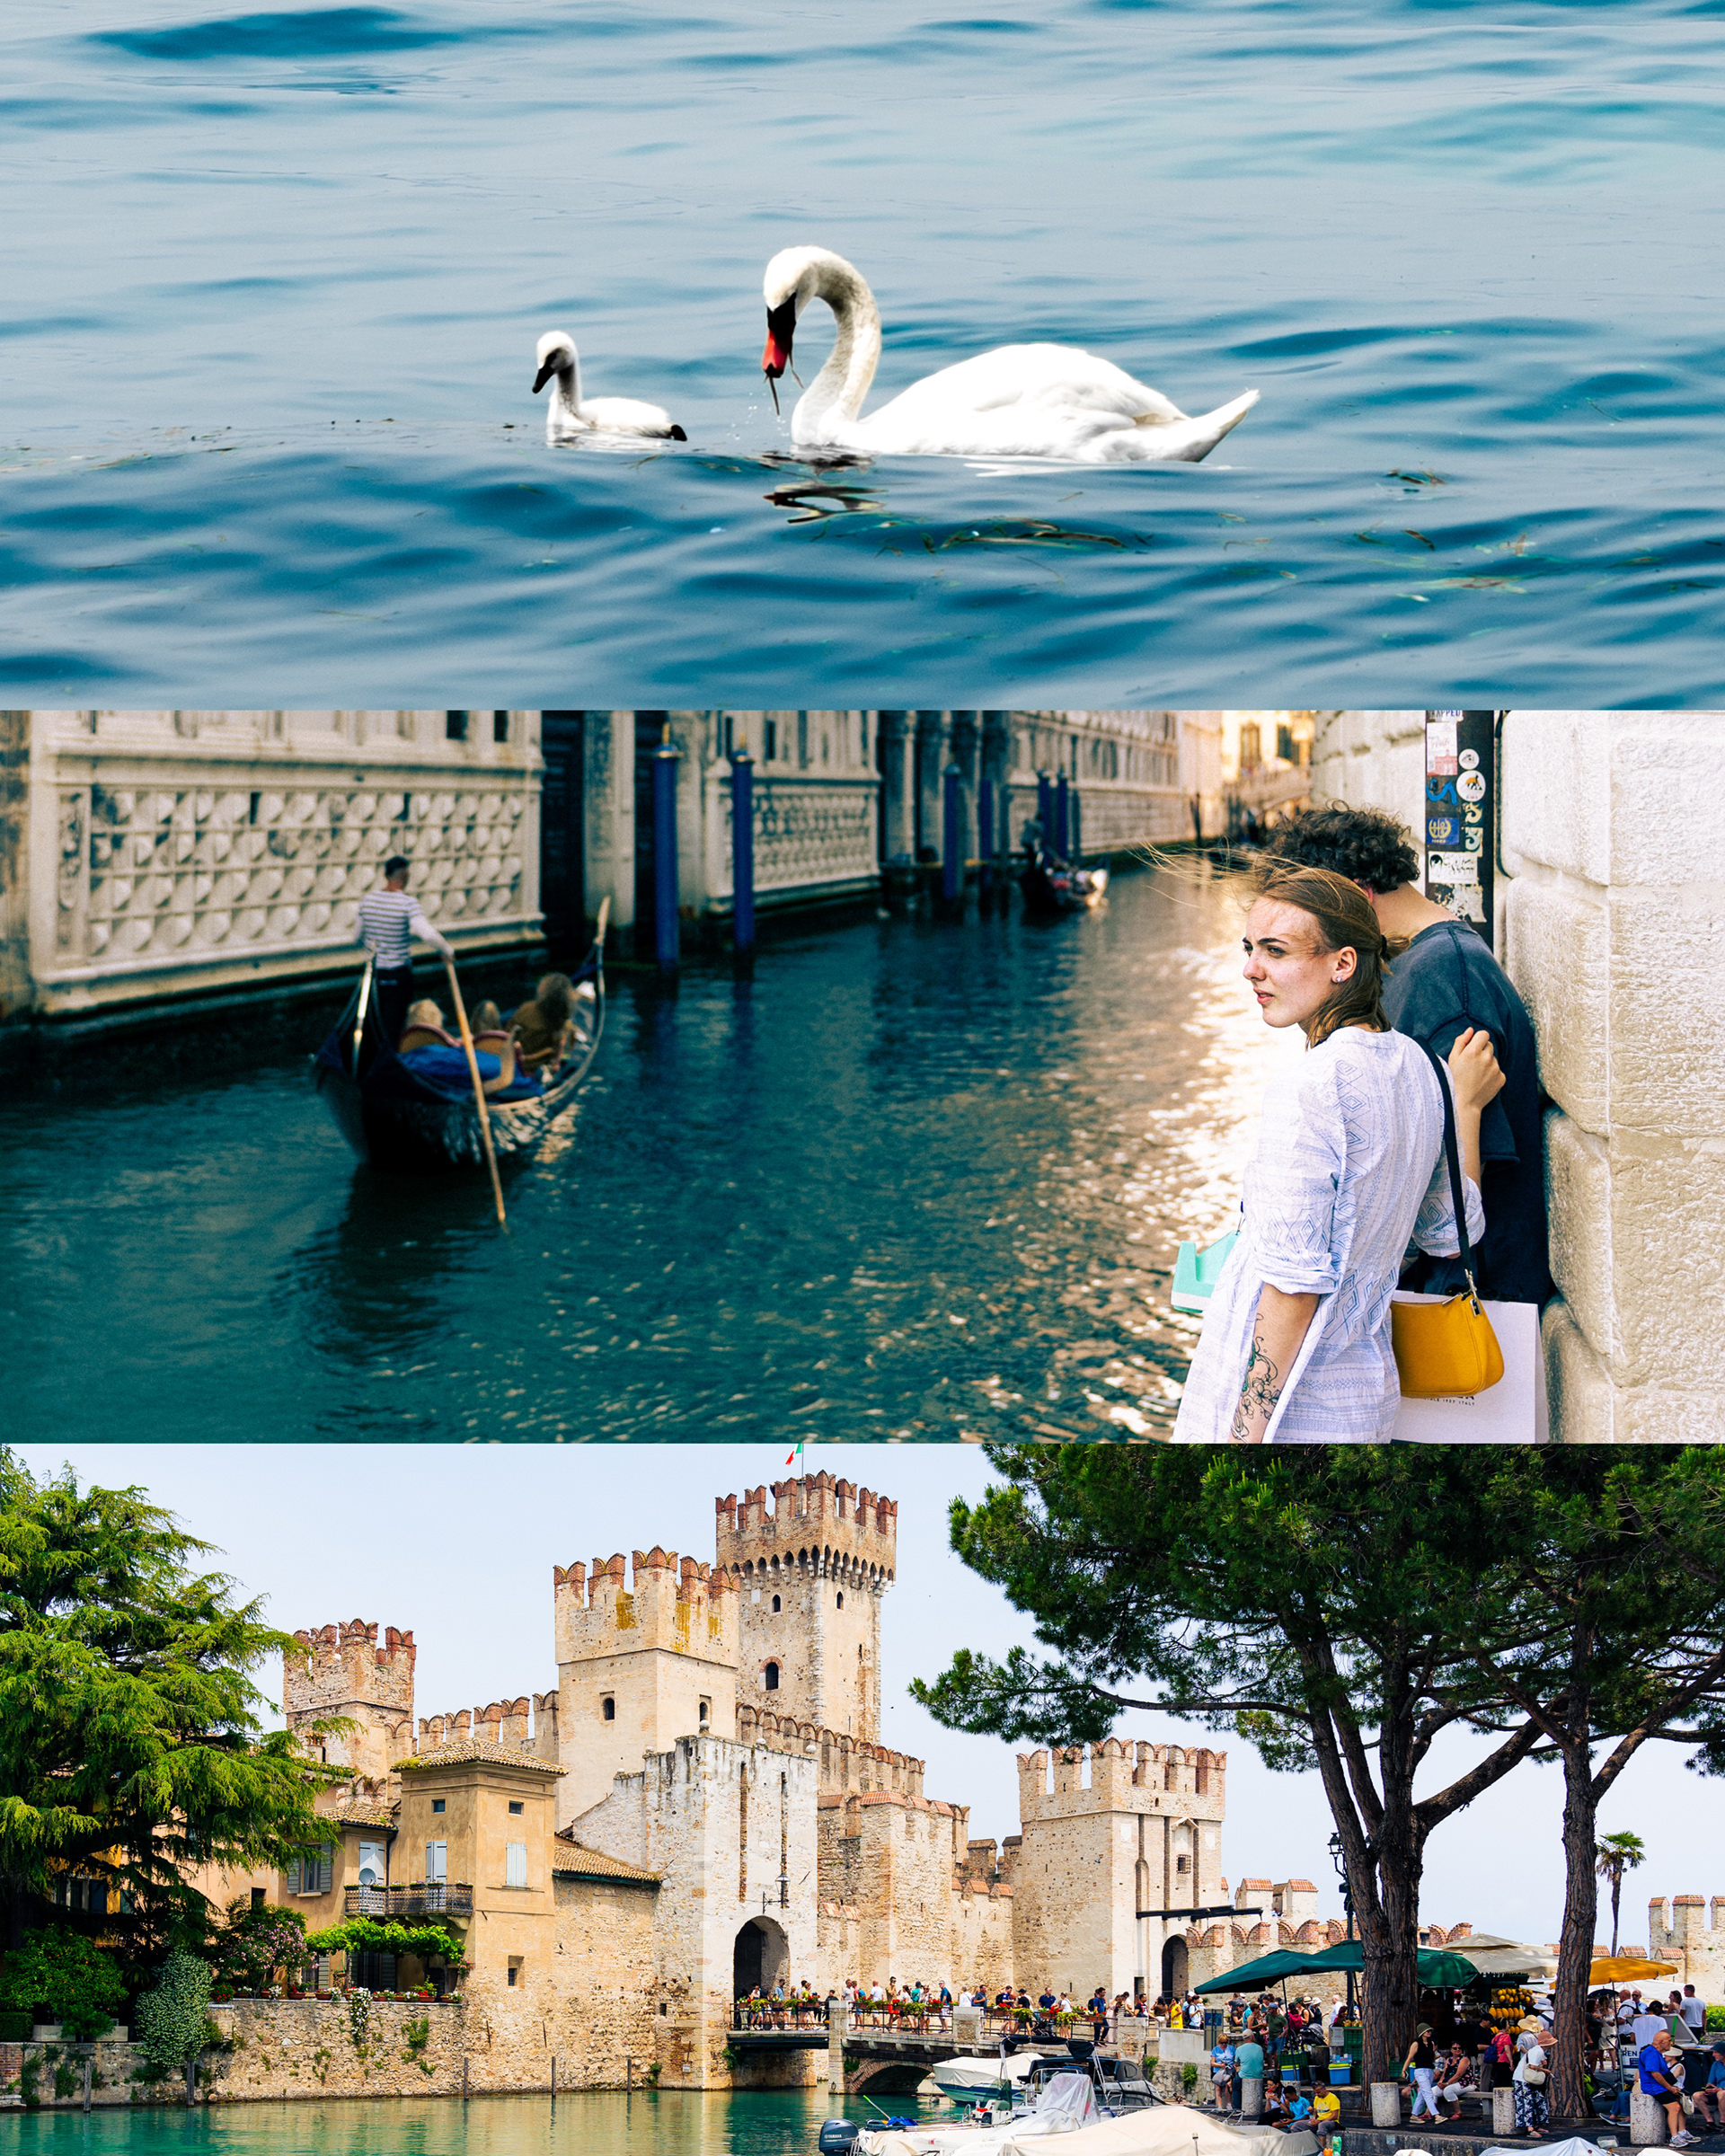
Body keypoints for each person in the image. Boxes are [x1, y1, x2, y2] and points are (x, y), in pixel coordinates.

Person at [1172, 863, 1503, 1442]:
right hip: (1364, 1399)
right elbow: (1451, 1230)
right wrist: (1467, 1111)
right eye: (1250, 948)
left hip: (1288, 1413)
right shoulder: (1421, 1068)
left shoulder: (1312, 1087)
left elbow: (1293, 1287)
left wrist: (1241, 1439)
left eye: (1275, 951)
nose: (1251, 969)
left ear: (1343, 964)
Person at [1261, 802, 1552, 1307]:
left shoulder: (1444, 982)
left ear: (1356, 895)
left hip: (1456, 1313)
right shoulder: (1415, 964)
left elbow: (1460, 1207)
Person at [357, 855, 455, 1047]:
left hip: (374, 975)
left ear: (386, 875)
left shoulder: (367, 901)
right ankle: (390, 1061)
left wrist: (372, 946)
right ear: (406, 876)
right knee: (393, 1027)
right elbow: (427, 934)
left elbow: (356, 936)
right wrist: (447, 950)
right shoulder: (407, 903)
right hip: (397, 975)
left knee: (373, 1024)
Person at [511, 972, 579, 1073]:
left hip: (517, 1063)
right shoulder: (566, 1026)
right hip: (540, 1067)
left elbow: (509, 1033)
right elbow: (564, 1054)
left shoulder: (526, 1009)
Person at [1639, 2027, 1694, 2146]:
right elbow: (1655, 2074)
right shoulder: (1651, 2053)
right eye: (1669, 2040)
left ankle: (1682, 2132)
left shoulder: (1657, 2053)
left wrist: (1673, 2087)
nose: (1671, 2043)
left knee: (1680, 2101)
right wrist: (1669, 2088)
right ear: (1661, 2042)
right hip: (1654, 2087)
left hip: (1660, 2086)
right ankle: (1674, 2137)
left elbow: (1664, 2073)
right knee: (1674, 2107)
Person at [1514, 2020, 1553, 2141]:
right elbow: (1532, 2066)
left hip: (1529, 2080)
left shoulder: (1541, 2051)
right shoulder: (1537, 2051)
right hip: (1522, 2079)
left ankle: (1537, 2124)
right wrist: (1545, 2071)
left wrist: (1543, 2064)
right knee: (1527, 2103)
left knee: (1538, 2100)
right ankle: (1530, 2128)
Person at [1404, 2024, 1440, 2120]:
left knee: (1422, 2093)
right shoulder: (1416, 2044)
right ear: (1422, 2033)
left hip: (1429, 2069)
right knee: (1428, 2092)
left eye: (1430, 2031)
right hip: (1420, 2070)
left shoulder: (1431, 2043)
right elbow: (1410, 2058)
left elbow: (1431, 2057)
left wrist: (1439, 2056)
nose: (1429, 2033)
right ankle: (1436, 2115)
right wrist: (1404, 2070)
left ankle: (1414, 2115)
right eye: (1427, 2031)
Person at [1435, 2041, 1476, 2115]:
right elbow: (1444, 2073)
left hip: (1465, 2083)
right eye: (1455, 2048)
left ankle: (1458, 2112)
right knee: (1433, 2091)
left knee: (1448, 2090)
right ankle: (1431, 2113)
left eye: (1459, 2048)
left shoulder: (1464, 2059)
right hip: (1451, 2082)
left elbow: (1459, 2075)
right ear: (1451, 2050)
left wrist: (1447, 2084)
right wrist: (1441, 2082)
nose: (1457, 2049)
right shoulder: (1449, 2060)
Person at [1691, 2043, 1725, 2127]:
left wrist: (1720, 2089)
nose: (1713, 2055)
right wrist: (1709, 2088)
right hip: (1717, 2092)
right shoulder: (1716, 2064)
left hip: (1722, 2092)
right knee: (1697, 2095)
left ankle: (1723, 2122)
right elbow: (1710, 2082)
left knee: (1722, 2093)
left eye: (1716, 2052)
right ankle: (1710, 2122)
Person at [1212, 2033, 1239, 2110]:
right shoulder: (1215, 2049)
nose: (1224, 2044)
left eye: (1225, 2043)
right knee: (1218, 2088)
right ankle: (1219, 2106)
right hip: (1218, 2070)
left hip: (1229, 2070)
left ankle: (1229, 2104)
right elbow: (1212, 2063)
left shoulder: (1231, 2049)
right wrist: (1220, 2065)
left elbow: (1236, 2060)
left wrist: (1235, 2064)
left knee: (1228, 2085)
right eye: (1222, 2043)